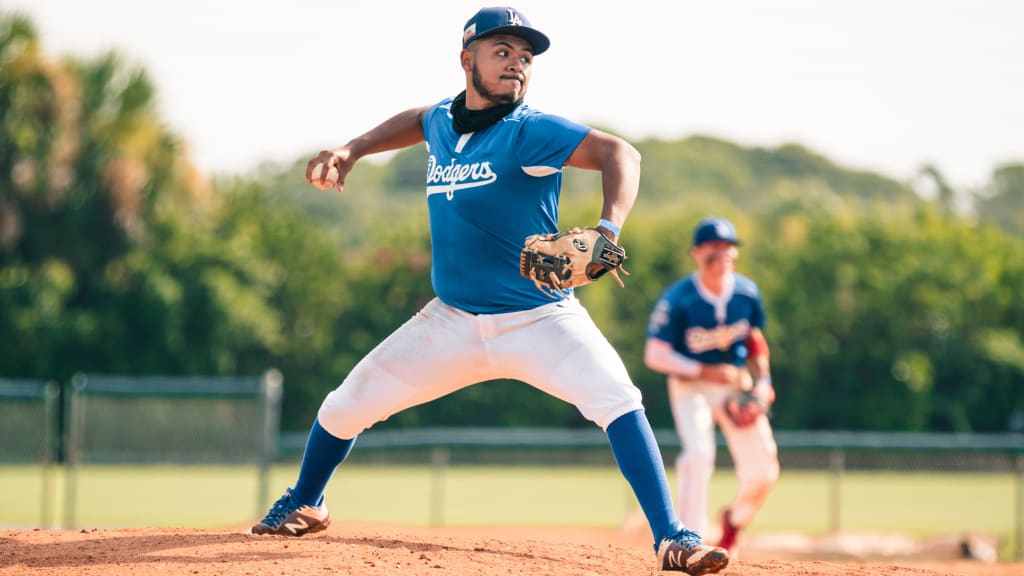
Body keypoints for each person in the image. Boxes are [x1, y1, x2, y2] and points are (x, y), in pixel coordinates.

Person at [249, 6, 729, 575]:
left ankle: (671, 537)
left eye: (525, 57)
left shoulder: (528, 131)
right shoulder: (443, 124)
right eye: (502, 52)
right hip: (451, 322)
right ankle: (307, 500)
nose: (517, 65)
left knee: (620, 401)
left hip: (541, 320)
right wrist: (351, 149)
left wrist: (607, 230)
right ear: (466, 60)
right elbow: (417, 119)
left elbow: (620, 154)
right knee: (343, 406)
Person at [644, 216, 780, 557]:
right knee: (699, 454)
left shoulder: (746, 293)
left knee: (764, 470)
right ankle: (691, 540)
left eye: (727, 247)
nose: (721, 254)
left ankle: (734, 522)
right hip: (691, 386)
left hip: (735, 385)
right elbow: (655, 354)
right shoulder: (680, 298)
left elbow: (754, 339)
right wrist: (704, 370)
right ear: (695, 253)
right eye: (713, 248)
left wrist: (763, 381)